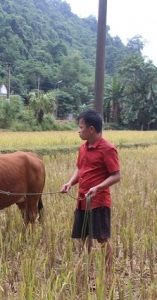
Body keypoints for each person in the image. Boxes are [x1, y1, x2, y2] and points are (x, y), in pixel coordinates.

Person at [60, 109, 121, 275]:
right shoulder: (83, 148)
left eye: (81, 127)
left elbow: (116, 176)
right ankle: (88, 267)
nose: (79, 130)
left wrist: (98, 188)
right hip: (81, 199)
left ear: (91, 129)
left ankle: (108, 273)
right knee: (85, 235)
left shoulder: (108, 149)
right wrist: (70, 183)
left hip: (98, 201)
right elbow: (80, 169)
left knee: (101, 238)